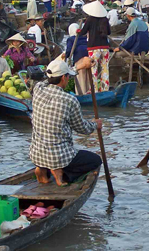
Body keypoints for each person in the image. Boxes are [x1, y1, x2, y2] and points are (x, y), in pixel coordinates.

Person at [30, 58, 102, 187]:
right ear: (64, 78)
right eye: (68, 76)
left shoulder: (38, 88)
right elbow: (83, 129)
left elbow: (48, 79)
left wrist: (78, 66)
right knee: (96, 160)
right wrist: (95, 124)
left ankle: (43, 168)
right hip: (60, 156)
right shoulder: (69, 100)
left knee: (49, 149)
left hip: (37, 154)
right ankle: (62, 173)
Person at [78, 1, 111, 92]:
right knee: (105, 68)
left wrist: (78, 31)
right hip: (105, 48)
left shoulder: (90, 19)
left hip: (94, 48)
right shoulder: (105, 20)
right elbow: (109, 32)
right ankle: (105, 89)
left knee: (93, 69)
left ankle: (94, 90)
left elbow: (83, 32)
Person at [66, 23, 90, 95]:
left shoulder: (71, 39)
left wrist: (66, 55)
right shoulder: (85, 38)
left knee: (81, 78)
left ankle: (81, 94)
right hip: (89, 58)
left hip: (80, 59)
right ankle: (90, 92)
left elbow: (69, 51)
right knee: (89, 77)